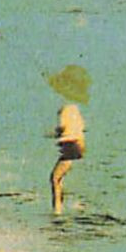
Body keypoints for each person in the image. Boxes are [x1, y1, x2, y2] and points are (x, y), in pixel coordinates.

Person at [47, 65, 89, 215]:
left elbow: (62, 128)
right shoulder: (75, 108)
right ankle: (61, 207)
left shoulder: (65, 110)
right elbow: (81, 127)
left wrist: (52, 134)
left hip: (71, 147)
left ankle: (57, 210)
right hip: (77, 146)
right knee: (59, 178)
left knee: (54, 178)